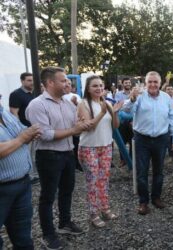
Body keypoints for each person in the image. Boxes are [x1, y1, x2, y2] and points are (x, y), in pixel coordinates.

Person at [25, 67, 91, 249]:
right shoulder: (37, 105)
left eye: (67, 81)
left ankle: (64, 223)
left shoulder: (67, 103)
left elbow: (74, 124)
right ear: (50, 83)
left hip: (67, 154)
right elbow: (45, 134)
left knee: (67, 191)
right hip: (48, 156)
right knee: (48, 196)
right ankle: (48, 234)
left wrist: (80, 124)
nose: (67, 84)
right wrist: (74, 130)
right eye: (63, 81)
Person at [122, 71, 173, 215]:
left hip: (161, 139)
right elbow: (127, 110)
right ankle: (143, 202)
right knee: (142, 172)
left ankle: (156, 197)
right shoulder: (139, 97)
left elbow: (172, 119)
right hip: (142, 139)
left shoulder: (167, 98)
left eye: (155, 82)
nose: (153, 84)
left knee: (159, 171)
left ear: (160, 83)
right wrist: (132, 99)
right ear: (146, 83)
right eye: (150, 82)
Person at [77, 75, 123, 228]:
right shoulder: (83, 103)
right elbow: (89, 126)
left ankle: (105, 208)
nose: (99, 88)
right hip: (88, 147)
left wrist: (115, 112)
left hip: (106, 146)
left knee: (104, 179)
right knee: (92, 181)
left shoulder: (106, 103)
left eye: (101, 85)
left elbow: (116, 126)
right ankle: (93, 213)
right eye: (95, 86)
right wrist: (102, 113)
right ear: (88, 89)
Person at [0, 106, 41, 250]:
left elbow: (22, 131)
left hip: (22, 184)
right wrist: (23, 138)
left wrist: (31, 133)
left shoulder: (4, 112)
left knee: (23, 238)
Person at [9, 72, 39, 184]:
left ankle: (34, 174)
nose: (32, 82)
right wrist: (21, 129)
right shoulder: (16, 94)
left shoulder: (36, 93)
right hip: (25, 130)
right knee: (27, 153)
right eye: (29, 80)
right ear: (22, 81)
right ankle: (29, 176)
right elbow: (14, 113)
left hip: (36, 129)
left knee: (35, 153)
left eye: (33, 80)